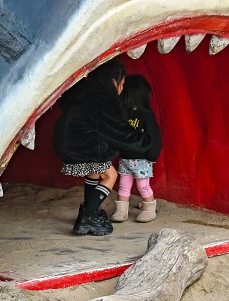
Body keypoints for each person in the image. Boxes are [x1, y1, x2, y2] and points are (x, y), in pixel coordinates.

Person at [52, 60, 152, 236]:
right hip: (83, 144)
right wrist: (143, 140)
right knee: (110, 175)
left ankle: (88, 211)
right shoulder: (104, 99)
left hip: (65, 140)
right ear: (114, 80)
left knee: (94, 173)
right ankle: (88, 217)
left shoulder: (82, 90)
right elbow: (119, 132)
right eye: (122, 83)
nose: (122, 88)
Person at [112, 75, 163, 223]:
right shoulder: (123, 113)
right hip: (124, 158)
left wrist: (152, 156)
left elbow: (155, 136)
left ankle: (149, 210)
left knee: (143, 185)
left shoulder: (146, 115)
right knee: (123, 185)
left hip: (142, 159)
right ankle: (121, 211)